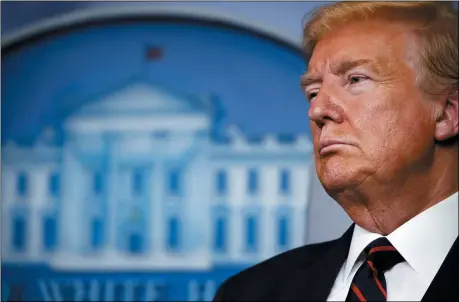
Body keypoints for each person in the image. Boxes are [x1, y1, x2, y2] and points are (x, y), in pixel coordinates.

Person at [213, 1, 458, 301]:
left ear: (447, 113)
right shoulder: (248, 294)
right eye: (313, 92)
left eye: (355, 80)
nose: (317, 110)